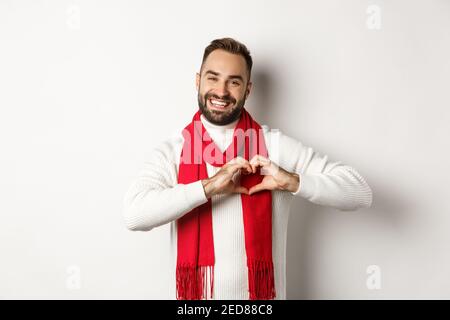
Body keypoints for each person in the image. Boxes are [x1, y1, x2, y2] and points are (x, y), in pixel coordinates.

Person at [122, 37, 373, 300]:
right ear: (198, 81)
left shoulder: (274, 147)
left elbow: (360, 192)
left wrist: (292, 182)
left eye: (234, 81)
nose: (221, 91)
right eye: (213, 78)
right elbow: (134, 214)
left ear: (248, 89)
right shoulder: (174, 151)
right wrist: (208, 187)